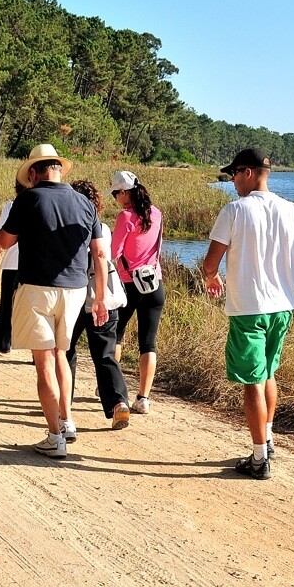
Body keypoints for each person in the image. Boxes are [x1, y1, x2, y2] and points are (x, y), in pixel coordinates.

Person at [201, 148, 294, 480]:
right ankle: (269, 439)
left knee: (252, 382)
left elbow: (209, 263)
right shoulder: (292, 210)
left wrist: (211, 277)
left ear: (247, 173)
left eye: (233, 174)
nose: (231, 181)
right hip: (282, 308)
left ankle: (259, 459)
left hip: (249, 308)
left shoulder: (234, 211)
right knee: (269, 373)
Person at [0, 144, 107, 459]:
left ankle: (54, 437)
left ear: (33, 172)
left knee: (43, 361)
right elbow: (99, 253)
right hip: (76, 290)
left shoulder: (28, 198)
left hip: (37, 288)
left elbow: (5, 241)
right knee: (62, 354)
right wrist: (99, 298)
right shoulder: (85, 203)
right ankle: (67, 421)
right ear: (59, 169)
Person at [66, 180, 130, 429]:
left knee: (66, 351)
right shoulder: (103, 227)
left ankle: (63, 403)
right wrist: (101, 298)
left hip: (75, 296)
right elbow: (104, 257)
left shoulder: (68, 227)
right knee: (105, 354)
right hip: (104, 297)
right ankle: (119, 403)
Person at [110, 170, 165, 415]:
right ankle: (143, 398)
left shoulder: (125, 217)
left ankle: (113, 388)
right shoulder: (157, 213)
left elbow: (113, 252)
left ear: (124, 193)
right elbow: (158, 248)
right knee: (148, 343)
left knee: (116, 335)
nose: (115, 198)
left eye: (115, 193)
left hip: (129, 284)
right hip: (154, 284)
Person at [0, 182, 24, 355]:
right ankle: (35, 350)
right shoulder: (48, 203)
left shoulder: (11, 206)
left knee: (7, 303)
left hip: (12, 263)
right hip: (36, 263)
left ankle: (2, 342)